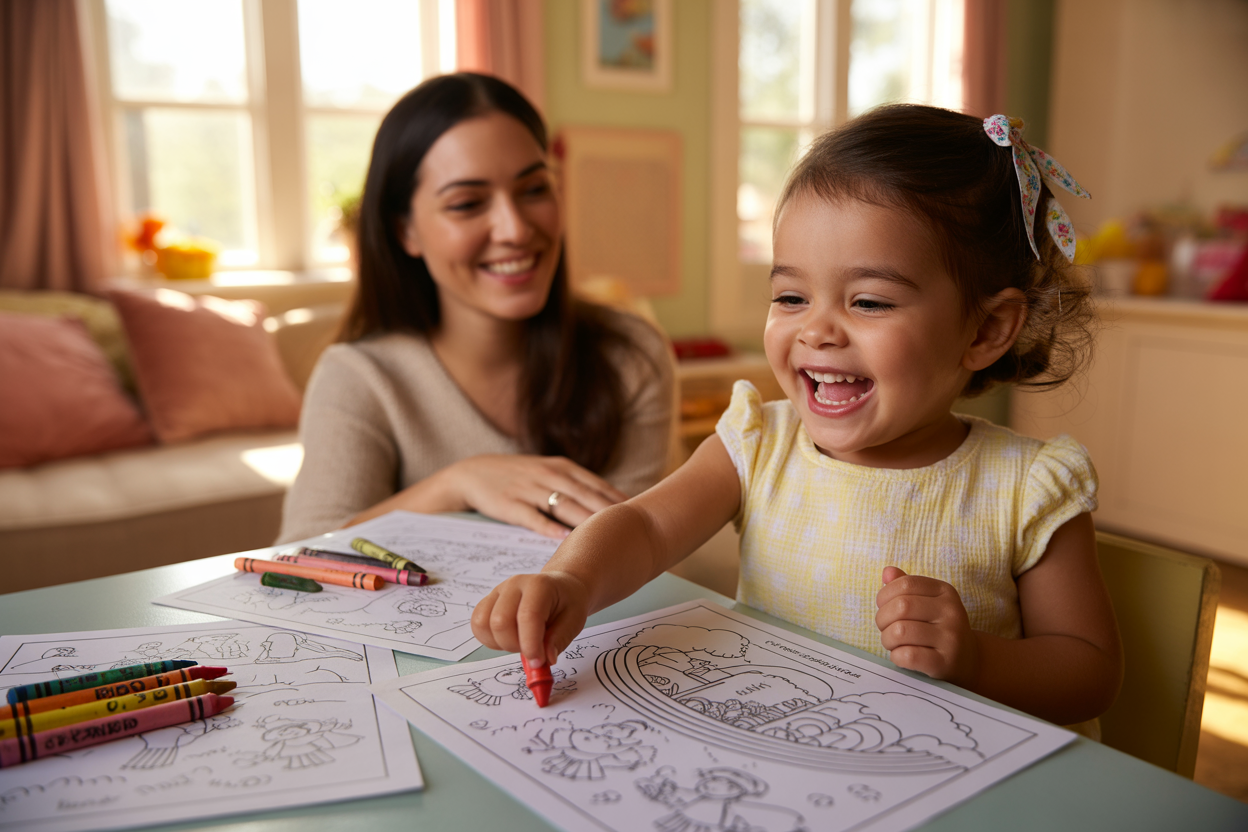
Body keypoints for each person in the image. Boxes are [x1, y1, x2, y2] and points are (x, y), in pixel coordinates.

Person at [472, 105, 1124, 730]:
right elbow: (643, 527)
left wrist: (978, 658)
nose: (816, 330)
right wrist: (571, 580)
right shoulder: (759, 444)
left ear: (986, 330)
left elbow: (1089, 672)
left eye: (868, 301)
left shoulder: (1028, 488)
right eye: (790, 296)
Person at [278, 73, 675, 544]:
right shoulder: (360, 378)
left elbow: (642, 555)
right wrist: (457, 485)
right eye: (467, 204)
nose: (514, 228)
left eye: (533, 190)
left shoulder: (629, 354)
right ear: (405, 231)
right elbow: (296, 560)